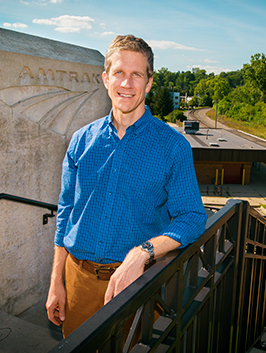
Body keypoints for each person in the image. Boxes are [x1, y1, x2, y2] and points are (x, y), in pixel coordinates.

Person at [45, 35, 207, 338]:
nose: (127, 83)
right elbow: (66, 212)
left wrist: (143, 252)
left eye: (137, 75)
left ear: (148, 83)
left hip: (138, 284)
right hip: (78, 278)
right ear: (106, 78)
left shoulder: (173, 147)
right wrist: (56, 281)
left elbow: (193, 217)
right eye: (119, 72)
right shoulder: (81, 141)